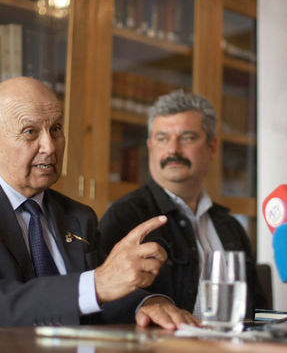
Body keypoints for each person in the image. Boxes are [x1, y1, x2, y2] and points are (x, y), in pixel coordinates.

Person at [0, 77, 198, 329]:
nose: (50, 147)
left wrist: (148, 303)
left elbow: (103, 294)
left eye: (56, 129)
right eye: (30, 132)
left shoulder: (78, 216)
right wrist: (98, 283)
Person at [99, 90, 267, 319]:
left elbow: (259, 312)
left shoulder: (231, 227)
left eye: (187, 137)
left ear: (213, 147)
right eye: (162, 139)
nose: (173, 150)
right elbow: (102, 300)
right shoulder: (125, 216)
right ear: (150, 147)